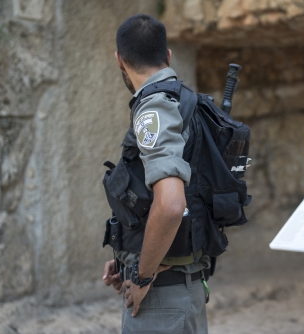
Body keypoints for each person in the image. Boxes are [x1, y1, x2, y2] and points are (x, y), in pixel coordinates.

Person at [101, 14, 209, 333]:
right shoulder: (186, 102)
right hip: (181, 289)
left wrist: (142, 274)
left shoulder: (155, 108)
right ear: (168, 56)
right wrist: (128, 256)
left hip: (161, 297)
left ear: (119, 60)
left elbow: (172, 204)